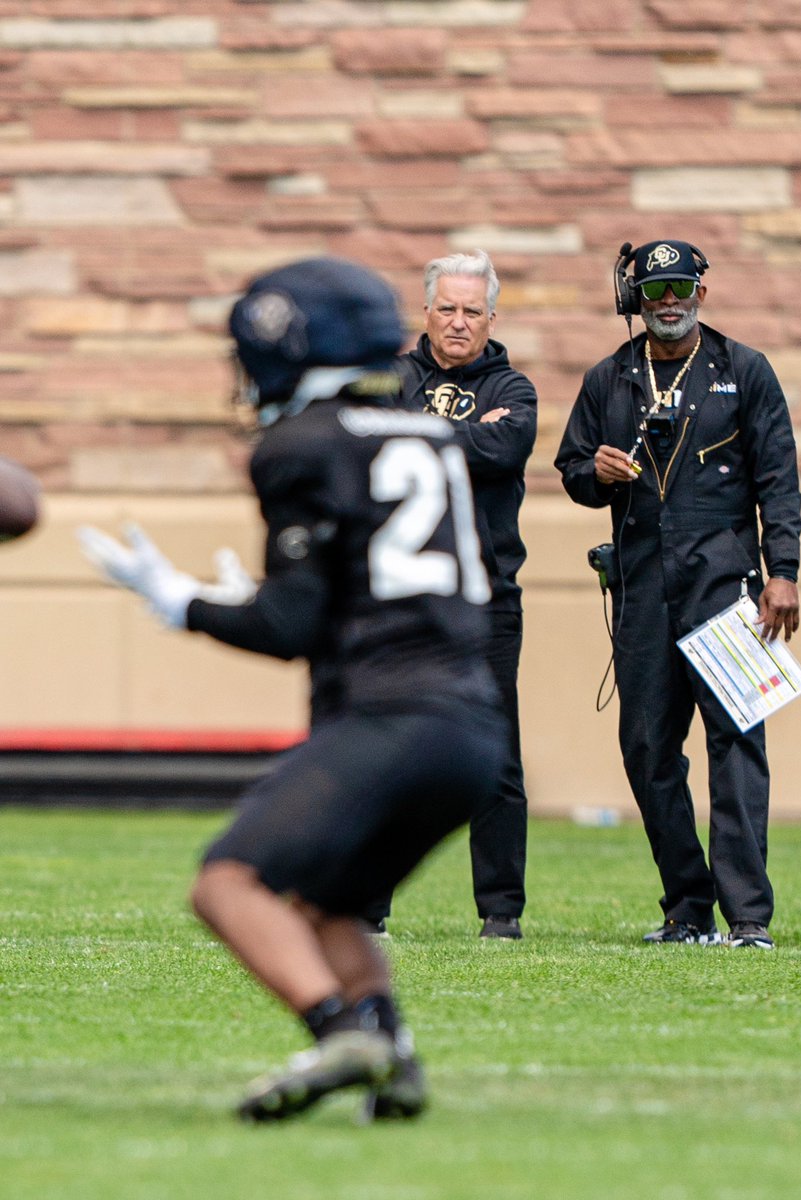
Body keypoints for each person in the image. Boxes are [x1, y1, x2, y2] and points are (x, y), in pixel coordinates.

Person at [78, 257, 507, 1122]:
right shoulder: (428, 436)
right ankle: (393, 1050)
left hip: (392, 716)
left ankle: (339, 1028)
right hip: (474, 729)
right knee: (328, 902)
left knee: (229, 883)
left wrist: (184, 603)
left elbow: (290, 629)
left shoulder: (300, 447)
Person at [554, 238, 801, 951]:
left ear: (702, 291)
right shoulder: (611, 378)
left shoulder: (743, 369)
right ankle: (686, 906)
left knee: (737, 745)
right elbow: (571, 469)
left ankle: (748, 917)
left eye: (680, 287)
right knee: (646, 747)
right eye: (656, 290)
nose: (669, 302)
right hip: (641, 590)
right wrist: (595, 471)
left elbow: (778, 481)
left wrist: (782, 572)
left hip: (726, 586)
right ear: (636, 298)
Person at [366, 250, 536, 941]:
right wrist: (468, 436)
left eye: (472, 310)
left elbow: (506, 449)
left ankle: (501, 911)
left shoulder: (515, 389)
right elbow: (369, 448)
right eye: (447, 308)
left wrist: (414, 435)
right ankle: (367, 904)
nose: (459, 321)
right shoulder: (389, 379)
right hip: (401, 601)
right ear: (426, 312)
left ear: (491, 317)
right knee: (380, 752)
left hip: (486, 601)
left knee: (495, 759)